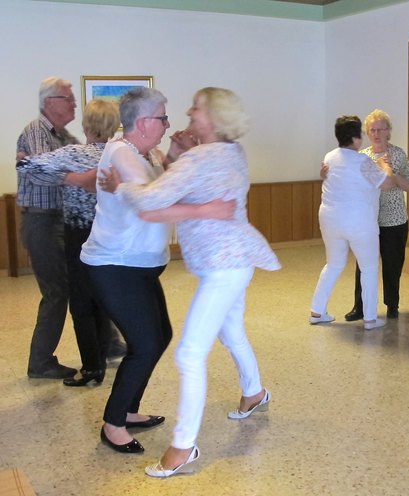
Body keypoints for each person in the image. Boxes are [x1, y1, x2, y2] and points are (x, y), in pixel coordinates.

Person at [100, 87, 280, 477]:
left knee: (189, 354)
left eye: (195, 109)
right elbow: (184, 182)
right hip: (237, 260)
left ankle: (183, 448)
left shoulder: (201, 158)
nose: (186, 114)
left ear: (213, 119)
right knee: (232, 333)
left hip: (222, 267)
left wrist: (122, 187)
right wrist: (177, 158)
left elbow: (150, 202)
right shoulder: (233, 152)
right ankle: (254, 392)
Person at [80, 87, 235, 454]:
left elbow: (162, 187)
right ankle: (113, 422)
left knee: (159, 336)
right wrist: (201, 204)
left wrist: (171, 161)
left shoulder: (144, 152)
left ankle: (128, 409)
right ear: (145, 122)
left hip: (140, 266)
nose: (168, 124)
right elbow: (157, 198)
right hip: (114, 265)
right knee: (146, 343)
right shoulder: (121, 151)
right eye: (163, 118)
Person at [17, 99, 124, 387]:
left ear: (87, 125)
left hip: (78, 235)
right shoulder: (120, 155)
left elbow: (26, 166)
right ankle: (104, 353)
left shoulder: (74, 153)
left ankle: (92, 368)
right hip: (110, 235)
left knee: (81, 303)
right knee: (102, 299)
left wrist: (23, 155)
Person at [310, 115, 409, 331]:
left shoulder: (330, 157)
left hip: (329, 220)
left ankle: (317, 311)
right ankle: (370, 319)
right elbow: (387, 184)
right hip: (359, 222)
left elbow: (329, 176)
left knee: (334, 264)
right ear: (357, 137)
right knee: (369, 267)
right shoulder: (363, 161)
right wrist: (384, 166)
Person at [17, 77, 79, 379]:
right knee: (56, 292)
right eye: (68, 98)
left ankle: (109, 342)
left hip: (60, 220)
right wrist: (74, 175)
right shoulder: (36, 130)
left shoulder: (64, 135)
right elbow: (43, 172)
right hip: (41, 221)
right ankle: (40, 363)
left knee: (80, 282)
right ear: (49, 102)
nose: (74, 103)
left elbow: (84, 160)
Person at [344, 109, 409, 321]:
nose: (376, 133)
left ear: (388, 131)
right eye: (372, 130)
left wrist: (392, 174)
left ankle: (392, 305)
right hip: (368, 221)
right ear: (367, 132)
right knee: (363, 265)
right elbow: (359, 186)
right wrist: (385, 179)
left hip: (394, 221)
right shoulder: (362, 157)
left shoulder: (398, 154)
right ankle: (360, 307)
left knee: (393, 265)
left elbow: (407, 185)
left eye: (380, 129)